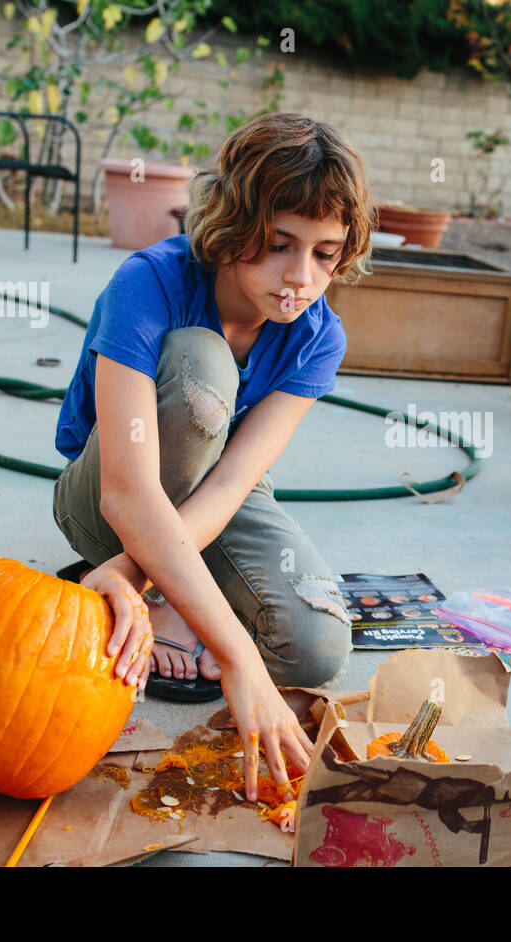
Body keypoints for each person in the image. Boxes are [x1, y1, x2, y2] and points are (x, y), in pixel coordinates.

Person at [50, 113, 373, 800]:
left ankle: (122, 580)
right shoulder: (152, 280)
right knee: (204, 366)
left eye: (325, 253)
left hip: (209, 498)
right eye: (280, 244)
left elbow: (231, 485)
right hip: (110, 492)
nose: (301, 277)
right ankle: (138, 576)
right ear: (232, 228)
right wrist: (234, 656)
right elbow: (127, 493)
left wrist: (139, 575)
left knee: (316, 648)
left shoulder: (319, 337)